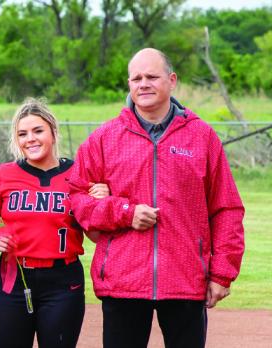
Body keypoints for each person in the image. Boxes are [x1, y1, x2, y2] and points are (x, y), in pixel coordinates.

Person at [68, 48, 245, 348]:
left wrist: (222, 273)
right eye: (136, 78)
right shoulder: (104, 138)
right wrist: (124, 211)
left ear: (172, 80)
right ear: (128, 84)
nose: (143, 84)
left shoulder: (202, 137)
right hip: (122, 281)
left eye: (152, 76)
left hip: (185, 279)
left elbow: (226, 208)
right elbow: (77, 200)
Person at [0, 98, 109, 348]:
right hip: (13, 278)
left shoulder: (78, 175)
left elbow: (96, 235)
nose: (31, 139)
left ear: (54, 133)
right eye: (22, 133)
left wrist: (100, 203)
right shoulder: (5, 174)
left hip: (63, 280)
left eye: (38, 131)